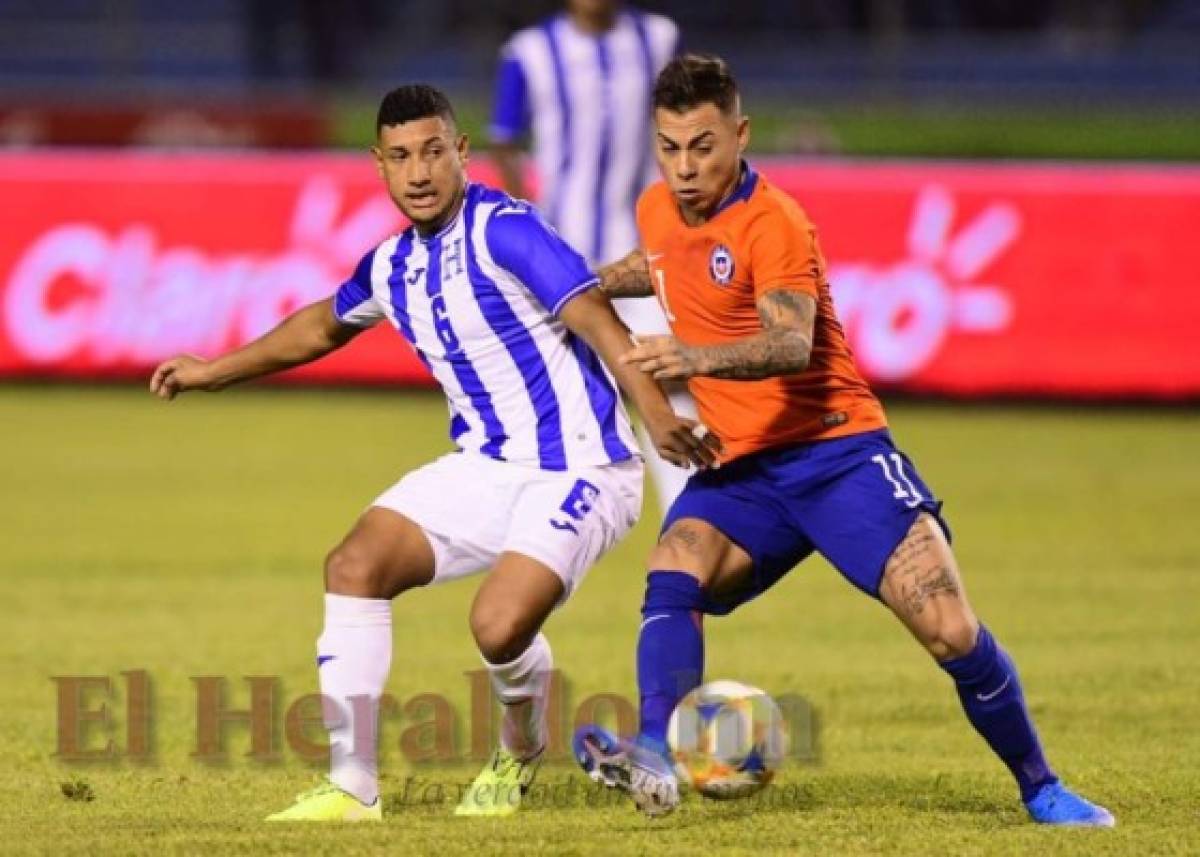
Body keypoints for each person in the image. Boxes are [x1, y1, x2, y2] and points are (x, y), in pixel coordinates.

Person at [570, 55, 1115, 827]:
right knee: (677, 562)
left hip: (838, 454)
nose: (685, 167)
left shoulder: (775, 222)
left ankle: (1042, 786)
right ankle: (655, 751)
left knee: (948, 627)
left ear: (740, 134)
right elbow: (657, 266)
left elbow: (789, 342)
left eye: (702, 146)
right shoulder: (658, 207)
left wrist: (690, 357)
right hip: (745, 471)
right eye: (669, 147)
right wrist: (579, 285)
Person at [150, 84, 718, 821]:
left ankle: (518, 748)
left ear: (461, 154)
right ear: (378, 165)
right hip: (483, 467)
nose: (417, 172)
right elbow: (322, 325)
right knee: (354, 564)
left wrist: (658, 416)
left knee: (497, 624)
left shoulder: (508, 231)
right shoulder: (390, 265)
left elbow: (604, 325)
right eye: (399, 157)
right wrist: (212, 370)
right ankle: (353, 787)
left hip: (582, 468)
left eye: (431, 152)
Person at [490, 0, 696, 513]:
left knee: (670, 371)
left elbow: (689, 122)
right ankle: (536, 511)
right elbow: (504, 140)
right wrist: (532, 225)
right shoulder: (530, 52)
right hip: (565, 250)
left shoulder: (659, 39)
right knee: (546, 386)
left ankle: (692, 512)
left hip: (645, 250)